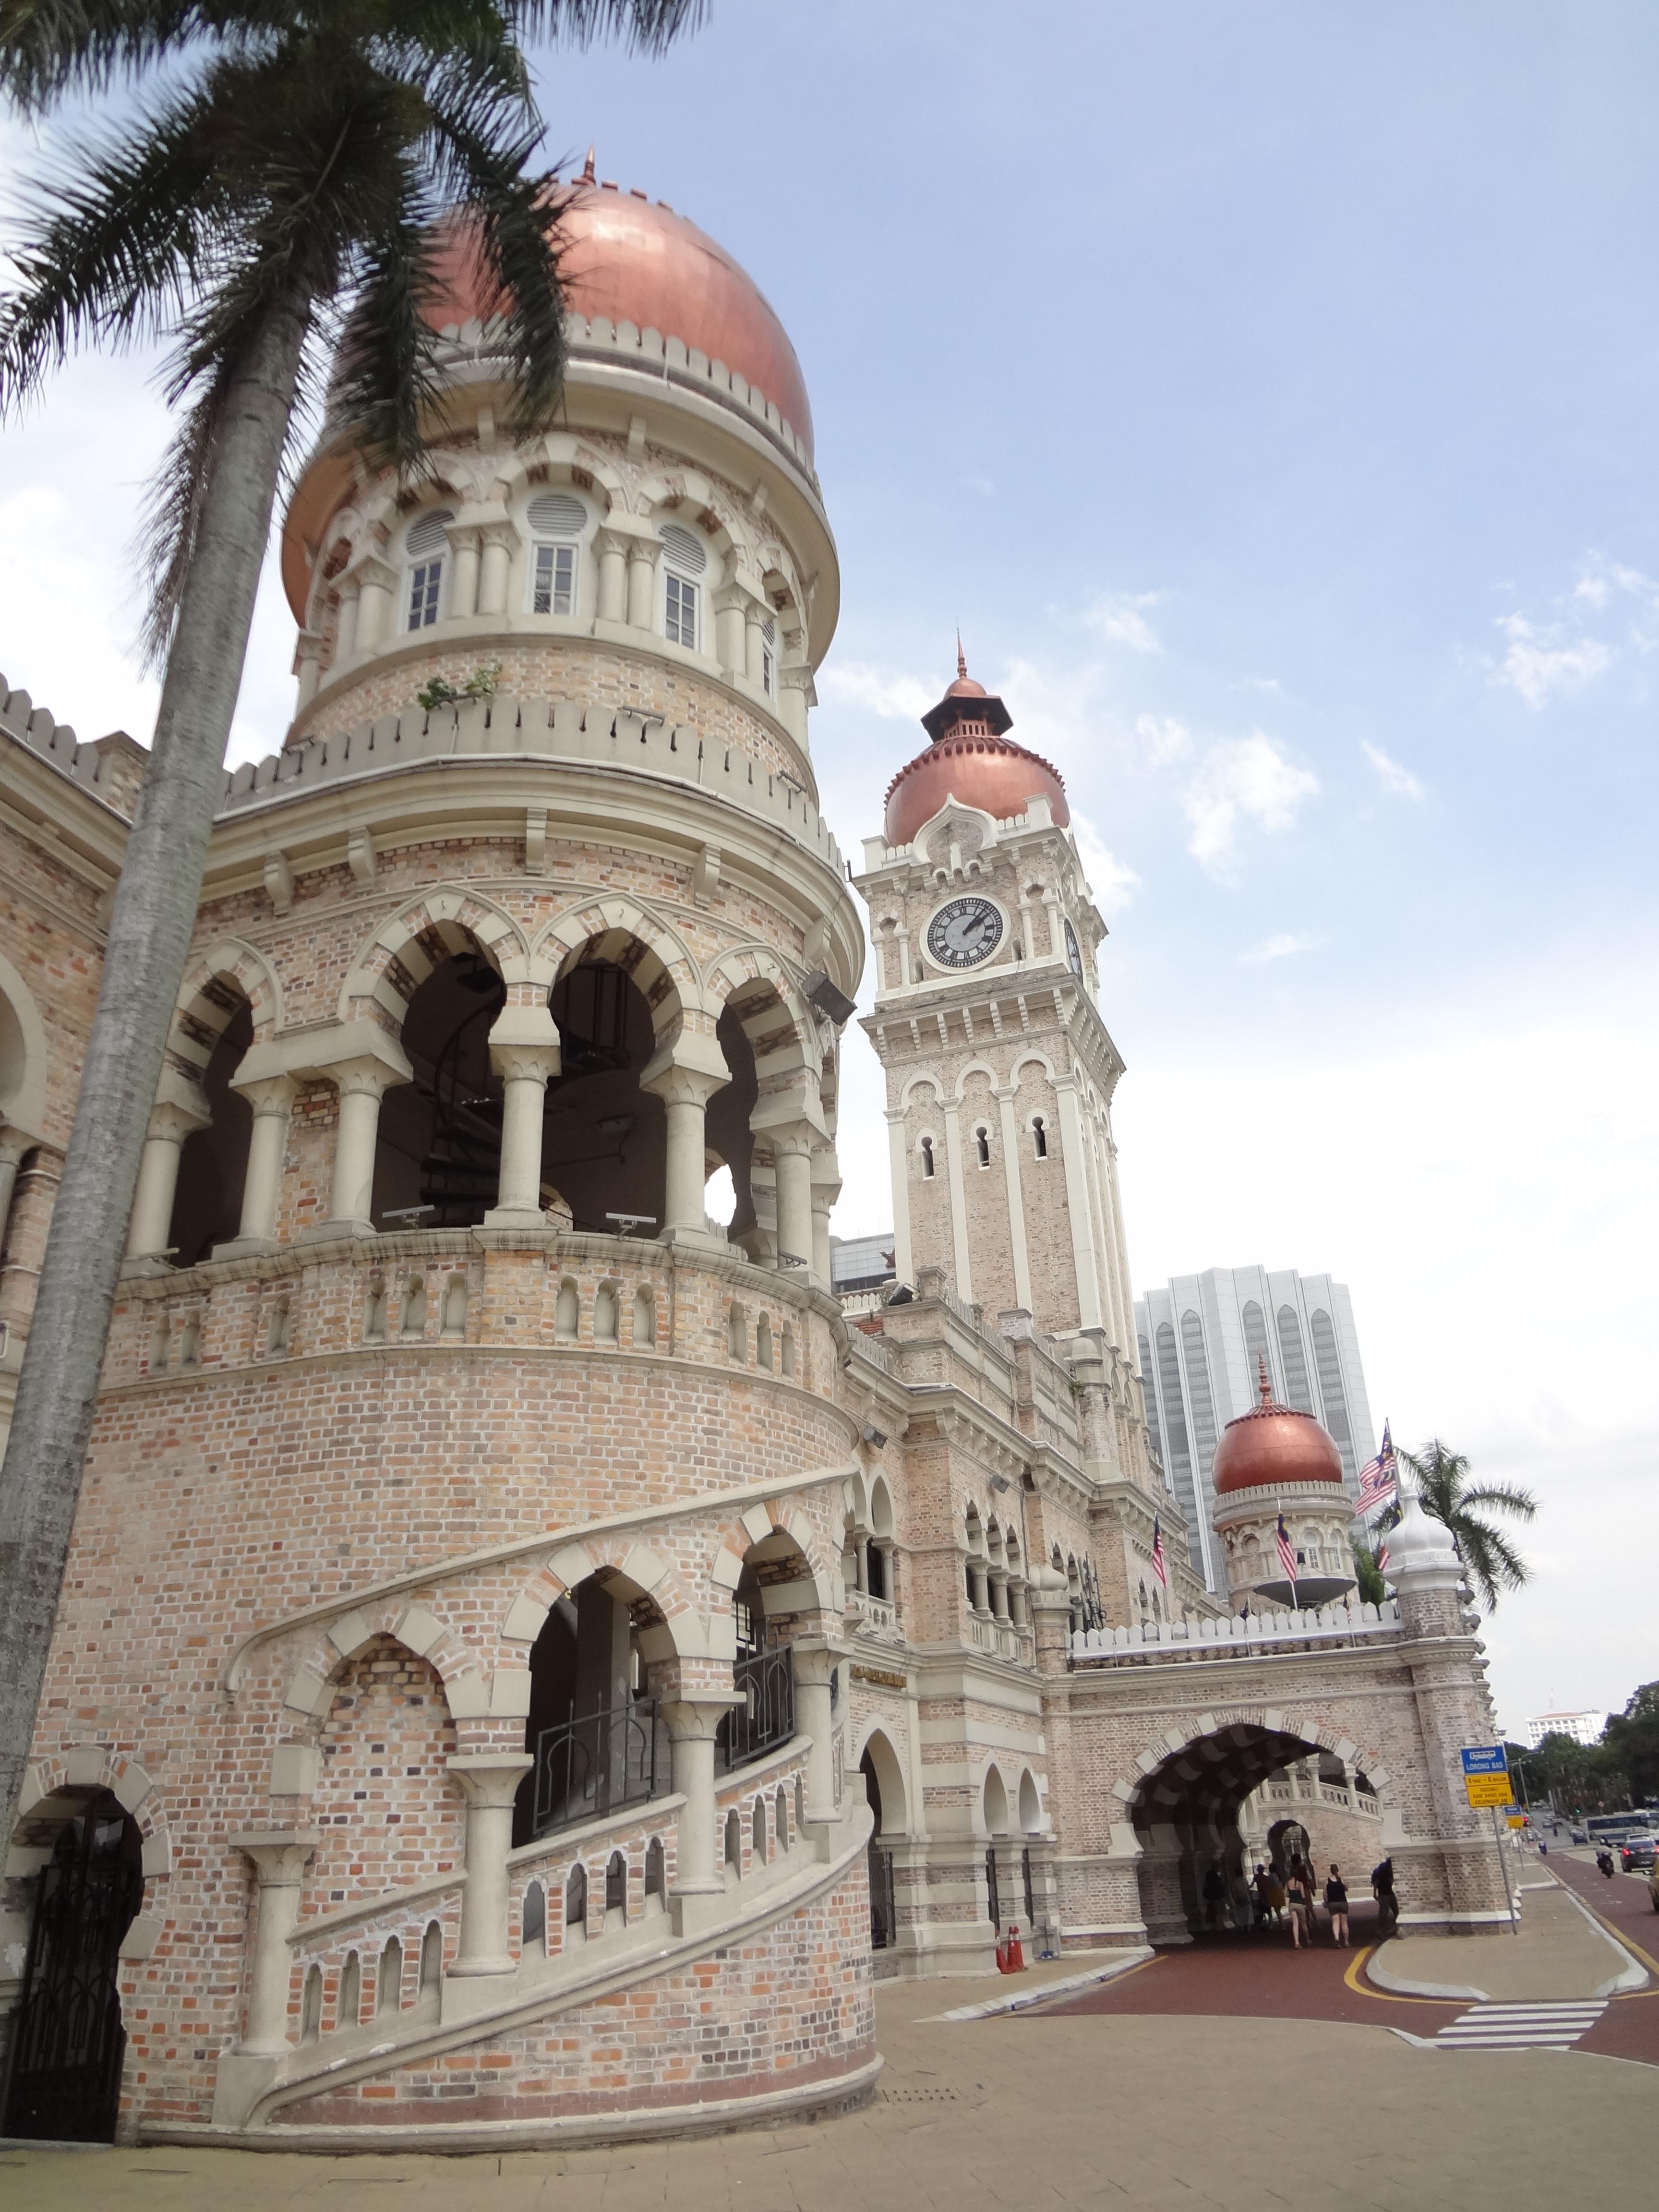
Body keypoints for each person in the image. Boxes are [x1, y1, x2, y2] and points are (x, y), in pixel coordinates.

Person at [1285, 1862, 1311, 1948]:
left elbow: (1285, 1894)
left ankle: (1297, 1942)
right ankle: (1308, 1939)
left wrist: (1291, 1895)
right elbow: (1303, 1895)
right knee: (1303, 1923)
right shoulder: (1300, 1884)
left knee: (1295, 1924)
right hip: (1300, 1904)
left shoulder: (1288, 1883)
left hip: (1292, 1904)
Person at [1324, 1863, 1350, 1947]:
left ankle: (1337, 1938)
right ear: (1338, 1870)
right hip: (1343, 1902)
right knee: (1344, 1923)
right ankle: (1346, 1942)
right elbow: (1347, 1889)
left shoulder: (1327, 1881)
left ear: (1330, 1871)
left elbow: (1325, 1894)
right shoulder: (1342, 1879)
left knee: (1335, 1923)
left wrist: (1326, 1902)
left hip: (1332, 1903)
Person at [1371, 1855, 1398, 1935]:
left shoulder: (1390, 1871)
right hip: (1383, 1894)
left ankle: (1395, 1926)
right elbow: (1376, 1882)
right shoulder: (1383, 1871)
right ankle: (1381, 1929)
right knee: (1384, 1913)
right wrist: (1375, 1893)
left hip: (1390, 1893)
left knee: (1396, 1911)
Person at [1202, 1859, 1227, 1930]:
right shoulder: (1213, 1875)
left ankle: (1219, 1926)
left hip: (1213, 1896)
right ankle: (1220, 1927)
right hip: (1217, 1896)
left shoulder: (1209, 1875)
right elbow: (1220, 1883)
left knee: (1217, 1911)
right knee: (1219, 1912)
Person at [1253, 1861, 1274, 1931]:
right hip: (1265, 1895)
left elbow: (1251, 1885)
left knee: (1262, 1910)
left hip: (1262, 1895)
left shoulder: (1257, 1877)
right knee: (1267, 1910)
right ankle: (1270, 1924)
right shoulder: (1266, 1877)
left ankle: (1265, 1924)